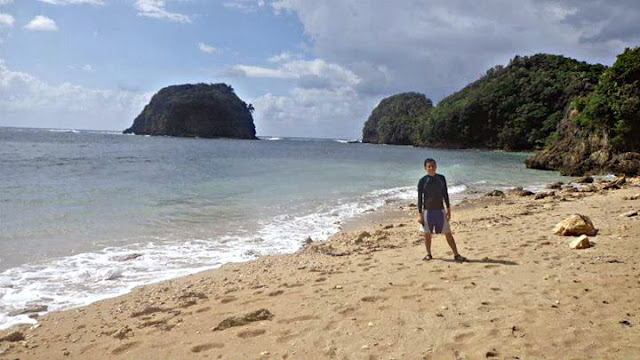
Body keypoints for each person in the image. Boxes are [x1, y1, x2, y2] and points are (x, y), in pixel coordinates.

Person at [416, 158, 466, 262]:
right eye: (429, 166)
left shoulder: (441, 178)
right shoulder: (422, 181)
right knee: (427, 234)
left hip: (440, 210)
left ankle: (456, 254)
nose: (431, 168)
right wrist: (420, 214)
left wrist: (448, 209)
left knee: (448, 232)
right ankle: (429, 254)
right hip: (427, 211)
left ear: (436, 166)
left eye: (433, 166)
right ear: (425, 168)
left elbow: (445, 194)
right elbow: (420, 199)